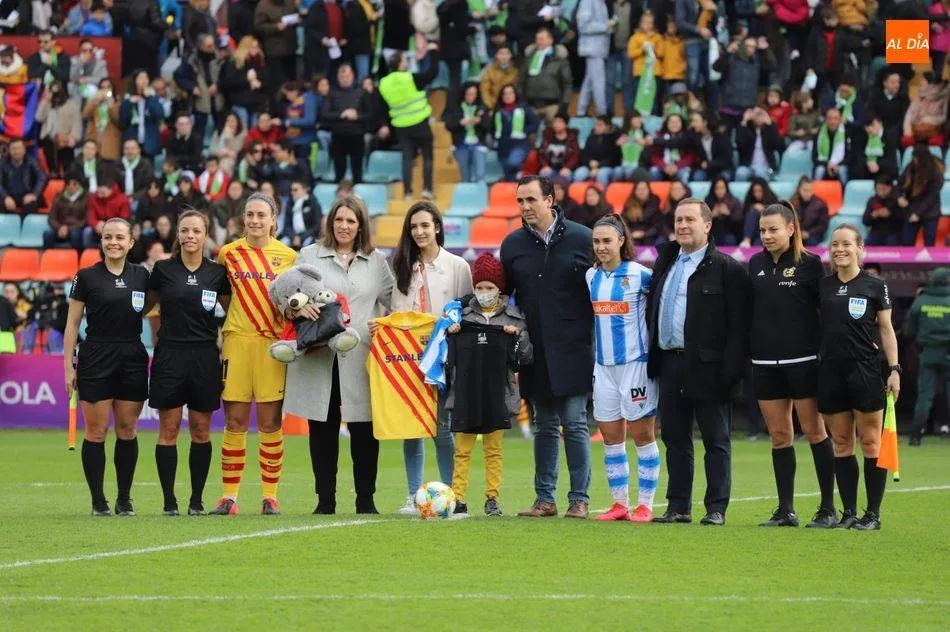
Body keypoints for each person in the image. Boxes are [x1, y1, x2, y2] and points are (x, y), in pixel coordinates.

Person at [284, 196, 393, 514]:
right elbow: (287, 293)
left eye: (351, 221)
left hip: (361, 356)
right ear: (330, 222)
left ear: (361, 226)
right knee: (322, 427)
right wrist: (295, 304)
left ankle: (366, 500)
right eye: (339, 220)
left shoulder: (377, 260)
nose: (344, 226)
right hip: (319, 355)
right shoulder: (309, 255)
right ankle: (325, 501)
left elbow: (396, 300)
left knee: (364, 429)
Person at [647, 198, 750, 526]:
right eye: (678, 220)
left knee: (715, 440)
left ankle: (716, 508)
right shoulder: (665, 261)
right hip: (670, 363)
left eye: (690, 219)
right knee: (674, 438)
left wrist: (730, 372)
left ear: (708, 225)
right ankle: (678, 506)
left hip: (710, 368)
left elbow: (738, 328)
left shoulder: (727, 268)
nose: (682, 226)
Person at [500, 175, 595, 519]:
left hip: (574, 347)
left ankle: (580, 499)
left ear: (550, 199)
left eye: (530, 200)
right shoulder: (511, 245)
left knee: (575, 421)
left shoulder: (584, 239)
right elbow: (503, 299)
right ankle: (544, 499)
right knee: (543, 425)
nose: (525, 208)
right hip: (534, 349)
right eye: (520, 201)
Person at [748, 202, 838, 528]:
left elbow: (826, 312)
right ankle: (786, 510)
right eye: (762, 230)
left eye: (773, 229)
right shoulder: (754, 263)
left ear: (791, 229)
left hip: (803, 361)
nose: (767, 236)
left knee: (815, 432)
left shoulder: (810, 265)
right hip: (764, 363)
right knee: (779, 436)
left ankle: (828, 508)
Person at [210, 193, 296, 516]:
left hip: (272, 347)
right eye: (250, 215)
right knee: (234, 420)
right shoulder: (228, 254)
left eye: (262, 215)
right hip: (237, 343)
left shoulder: (289, 257)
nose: (256, 221)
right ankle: (229, 498)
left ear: (274, 219)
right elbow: (223, 296)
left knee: (271, 421)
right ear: (242, 218)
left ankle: (270, 497)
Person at [387, 201, 474, 513]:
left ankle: (451, 495)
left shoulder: (457, 267)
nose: (420, 232)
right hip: (407, 360)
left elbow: (468, 313)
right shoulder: (398, 267)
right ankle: (414, 496)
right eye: (414, 227)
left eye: (425, 225)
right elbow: (393, 313)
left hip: (443, 360)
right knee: (411, 429)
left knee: (442, 429)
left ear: (437, 227)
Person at [145, 210, 231, 516]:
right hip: (170, 355)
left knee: (201, 431)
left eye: (196, 231)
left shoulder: (216, 273)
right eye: (185, 230)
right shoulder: (163, 269)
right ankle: (169, 501)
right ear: (178, 235)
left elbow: (233, 310)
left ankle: (196, 501)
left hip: (205, 356)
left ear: (206, 235)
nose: (190, 236)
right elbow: (144, 306)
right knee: (168, 430)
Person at [63, 218, 149, 516]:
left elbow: (156, 311)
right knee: (97, 431)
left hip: (132, 355)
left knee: (127, 428)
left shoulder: (142, 276)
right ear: (101, 241)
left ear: (131, 242)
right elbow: (72, 325)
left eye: (120, 237)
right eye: (108, 237)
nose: (114, 242)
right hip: (95, 355)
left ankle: (124, 500)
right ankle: (98, 501)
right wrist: (68, 368)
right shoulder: (86, 277)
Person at [819, 224, 900, 530]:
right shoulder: (823, 286)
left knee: (869, 442)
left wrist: (894, 369)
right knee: (841, 443)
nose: (839, 249)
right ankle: (849, 513)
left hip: (865, 370)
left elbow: (886, 330)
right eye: (834, 244)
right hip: (830, 371)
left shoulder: (875, 285)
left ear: (859, 248)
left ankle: (872, 515)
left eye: (846, 244)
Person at [445, 252, 533, 517]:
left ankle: (492, 498)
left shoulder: (515, 320)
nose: (484, 292)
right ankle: (457, 498)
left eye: (490, 287)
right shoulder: (460, 318)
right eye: (479, 287)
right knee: (462, 450)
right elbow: (444, 357)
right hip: (465, 394)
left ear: (499, 288)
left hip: (498, 395)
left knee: (493, 450)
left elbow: (526, 357)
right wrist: (451, 333)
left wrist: (516, 339)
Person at [587, 214, 660, 523]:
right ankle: (619, 504)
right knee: (611, 436)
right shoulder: (591, 276)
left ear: (621, 241)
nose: (601, 247)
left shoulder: (640, 274)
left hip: (635, 366)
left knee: (643, 434)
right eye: (597, 241)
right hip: (603, 367)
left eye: (607, 240)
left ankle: (645, 505)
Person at [378, 44, 440, 200]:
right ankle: (427, 189)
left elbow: (382, 106)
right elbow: (433, 73)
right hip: (419, 122)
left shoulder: (383, 83)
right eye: (405, 60)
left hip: (400, 126)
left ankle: (407, 192)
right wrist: (433, 52)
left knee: (407, 158)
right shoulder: (410, 78)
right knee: (427, 156)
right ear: (400, 64)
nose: (407, 62)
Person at [905, 268, 950, 446]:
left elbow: (909, 331)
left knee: (925, 395)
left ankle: (916, 435)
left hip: (928, 353)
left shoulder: (920, 302)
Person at [323, 63, 370, 184]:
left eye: (347, 76)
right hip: (338, 136)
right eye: (342, 76)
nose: (345, 78)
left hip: (357, 135)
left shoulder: (362, 92)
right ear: (338, 77)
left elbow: (370, 114)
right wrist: (342, 114)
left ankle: (358, 198)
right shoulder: (332, 93)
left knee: (357, 170)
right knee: (339, 171)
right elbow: (324, 114)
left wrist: (357, 116)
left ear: (353, 76)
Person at [520, 26, 573, 126]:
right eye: (537, 39)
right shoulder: (529, 58)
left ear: (550, 40)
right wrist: (522, 101)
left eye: (542, 39)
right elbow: (522, 81)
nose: (539, 41)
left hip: (552, 106)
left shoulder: (559, 59)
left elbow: (567, 84)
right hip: (531, 105)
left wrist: (564, 105)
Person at [898, 145, 944, 247]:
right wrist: (899, 197)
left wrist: (917, 213)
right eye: (914, 158)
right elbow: (899, 184)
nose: (915, 161)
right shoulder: (910, 167)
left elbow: (931, 198)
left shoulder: (935, 173)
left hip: (930, 212)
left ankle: (928, 263)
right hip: (911, 210)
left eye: (918, 158)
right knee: (907, 243)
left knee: (929, 244)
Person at [492, 84, 539, 182]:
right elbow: (492, 128)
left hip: (520, 145)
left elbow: (534, 123)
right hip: (502, 147)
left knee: (513, 163)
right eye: (505, 94)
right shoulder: (498, 111)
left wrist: (525, 131)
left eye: (510, 93)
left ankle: (521, 176)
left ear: (515, 94)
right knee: (509, 176)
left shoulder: (525, 109)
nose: (508, 96)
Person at [445, 82, 490, 184]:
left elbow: (489, 126)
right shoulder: (456, 107)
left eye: (473, 94)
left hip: (478, 144)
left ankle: (480, 197)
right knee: (465, 176)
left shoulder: (482, 108)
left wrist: (480, 121)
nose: (471, 97)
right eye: (468, 94)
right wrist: (460, 123)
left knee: (480, 175)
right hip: (461, 144)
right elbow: (448, 125)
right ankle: (468, 198)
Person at [36, 81, 82, 177]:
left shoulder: (72, 106)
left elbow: (77, 124)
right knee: (52, 167)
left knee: (67, 167)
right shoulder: (48, 104)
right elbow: (38, 117)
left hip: (65, 139)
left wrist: (73, 137)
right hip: (49, 139)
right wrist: (46, 101)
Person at [117, 70, 165, 160]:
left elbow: (159, 115)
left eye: (146, 78)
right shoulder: (128, 98)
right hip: (132, 143)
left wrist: (150, 98)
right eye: (141, 78)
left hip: (149, 143)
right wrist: (129, 103)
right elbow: (122, 121)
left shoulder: (153, 97)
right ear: (135, 81)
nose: (144, 80)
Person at [576, 0, 611, 117]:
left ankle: (581, 111)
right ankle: (602, 112)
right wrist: (605, 26)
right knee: (598, 81)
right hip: (592, 48)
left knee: (589, 81)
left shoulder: (602, 3)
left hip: (599, 48)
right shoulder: (587, 1)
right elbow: (582, 25)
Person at [0, 139, 46, 215]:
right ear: (9, 151)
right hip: (9, 195)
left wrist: (34, 194)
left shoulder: (31, 161)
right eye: (13, 149)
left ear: (24, 150)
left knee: (31, 205)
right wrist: (6, 197)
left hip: (27, 195)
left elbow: (42, 177)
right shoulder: (3, 163)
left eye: (19, 148)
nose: (16, 151)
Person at [574, 116, 622, 186]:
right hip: (590, 166)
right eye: (596, 125)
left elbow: (613, 159)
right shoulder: (590, 138)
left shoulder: (612, 138)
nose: (596, 127)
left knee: (601, 174)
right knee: (579, 173)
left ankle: (601, 195)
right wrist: (590, 162)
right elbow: (584, 155)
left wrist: (599, 165)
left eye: (600, 125)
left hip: (607, 167)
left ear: (607, 127)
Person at [44, 175, 88, 250]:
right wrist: (60, 227)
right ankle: (48, 257)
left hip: (76, 228)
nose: (71, 186)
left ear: (79, 185)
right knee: (47, 234)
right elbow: (51, 218)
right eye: (68, 184)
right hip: (60, 227)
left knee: (75, 234)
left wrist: (68, 229)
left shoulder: (86, 198)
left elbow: (85, 220)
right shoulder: (58, 197)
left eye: (74, 184)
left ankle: (77, 258)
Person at [648, 113, 696, 182]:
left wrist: (677, 166)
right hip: (663, 166)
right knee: (653, 172)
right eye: (671, 122)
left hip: (680, 166)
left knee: (684, 173)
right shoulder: (659, 136)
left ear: (682, 123)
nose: (674, 124)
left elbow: (691, 156)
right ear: (667, 124)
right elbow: (654, 156)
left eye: (677, 122)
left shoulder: (687, 136)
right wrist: (664, 166)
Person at [812, 108, 852, 184]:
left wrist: (836, 165)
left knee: (842, 170)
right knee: (819, 170)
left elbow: (849, 157)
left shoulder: (846, 134)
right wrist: (828, 165)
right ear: (826, 120)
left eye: (835, 119)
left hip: (840, 164)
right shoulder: (819, 134)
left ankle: (845, 195)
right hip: (824, 164)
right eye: (829, 118)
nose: (832, 122)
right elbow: (814, 157)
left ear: (840, 120)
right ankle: (815, 193)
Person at [278, 180, 322, 249]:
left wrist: (301, 237)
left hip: (309, 236)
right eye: (291, 190)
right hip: (293, 236)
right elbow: (287, 226)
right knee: (282, 244)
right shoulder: (290, 204)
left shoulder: (314, 203)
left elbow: (317, 226)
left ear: (305, 190)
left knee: (309, 247)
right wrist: (294, 237)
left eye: (295, 190)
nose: (292, 192)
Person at [538, 112, 581, 180]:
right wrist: (545, 166)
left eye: (559, 122)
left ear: (566, 124)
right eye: (555, 122)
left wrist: (567, 167)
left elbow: (575, 156)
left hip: (565, 169)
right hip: (550, 169)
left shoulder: (572, 137)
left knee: (566, 176)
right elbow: (541, 153)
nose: (556, 124)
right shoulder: (548, 135)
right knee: (543, 174)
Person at [862, 175, 903, 247]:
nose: (881, 192)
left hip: (893, 232)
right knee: (867, 245)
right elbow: (865, 221)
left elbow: (903, 220)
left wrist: (890, 214)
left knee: (892, 244)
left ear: (890, 187)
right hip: (876, 232)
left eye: (884, 189)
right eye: (878, 189)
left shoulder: (898, 200)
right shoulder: (872, 200)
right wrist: (873, 215)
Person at [789, 176, 830, 247]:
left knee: (810, 241)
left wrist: (808, 233)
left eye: (810, 190)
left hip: (813, 235)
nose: (808, 193)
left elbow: (823, 226)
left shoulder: (821, 204)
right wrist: (797, 233)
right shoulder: (792, 202)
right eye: (805, 190)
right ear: (799, 189)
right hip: (796, 234)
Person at [739, 178, 779, 248]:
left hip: (768, 233)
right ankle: (746, 240)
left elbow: (778, 219)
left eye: (759, 191)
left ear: (765, 191)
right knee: (751, 213)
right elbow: (742, 216)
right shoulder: (749, 201)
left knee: (757, 243)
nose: (757, 194)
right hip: (753, 233)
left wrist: (764, 209)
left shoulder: (773, 200)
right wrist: (752, 207)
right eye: (755, 191)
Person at [621, 179, 663, 244]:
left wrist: (644, 234)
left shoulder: (655, 204)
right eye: (639, 189)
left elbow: (657, 225)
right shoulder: (629, 204)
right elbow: (623, 223)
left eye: (644, 189)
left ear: (649, 190)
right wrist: (631, 233)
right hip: (632, 236)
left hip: (650, 237)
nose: (641, 191)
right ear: (634, 191)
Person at [703, 176, 742, 246]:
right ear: (713, 189)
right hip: (712, 233)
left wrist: (728, 214)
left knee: (730, 240)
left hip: (729, 233)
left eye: (722, 188)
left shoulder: (734, 201)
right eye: (717, 188)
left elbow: (739, 221)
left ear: (726, 188)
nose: (720, 190)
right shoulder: (708, 201)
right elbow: (701, 222)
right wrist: (712, 215)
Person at [480, 44, 519, 111]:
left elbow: (517, 90)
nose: (504, 56)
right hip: (493, 104)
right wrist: (491, 105)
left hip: (511, 105)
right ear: (497, 55)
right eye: (501, 53)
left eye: (507, 53)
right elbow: (484, 90)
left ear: (510, 55)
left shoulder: (515, 72)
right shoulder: (489, 71)